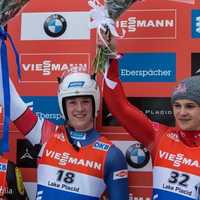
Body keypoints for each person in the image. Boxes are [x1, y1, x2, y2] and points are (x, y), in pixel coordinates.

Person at [0, 60, 128, 199]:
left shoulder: (112, 155)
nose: (79, 109)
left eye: (85, 101)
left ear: (95, 104)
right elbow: (11, 101)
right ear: (63, 106)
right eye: (72, 102)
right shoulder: (46, 135)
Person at [102, 37, 200, 200]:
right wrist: (110, 58)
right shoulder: (161, 137)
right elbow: (120, 108)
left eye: (190, 106)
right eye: (177, 106)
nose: (182, 113)